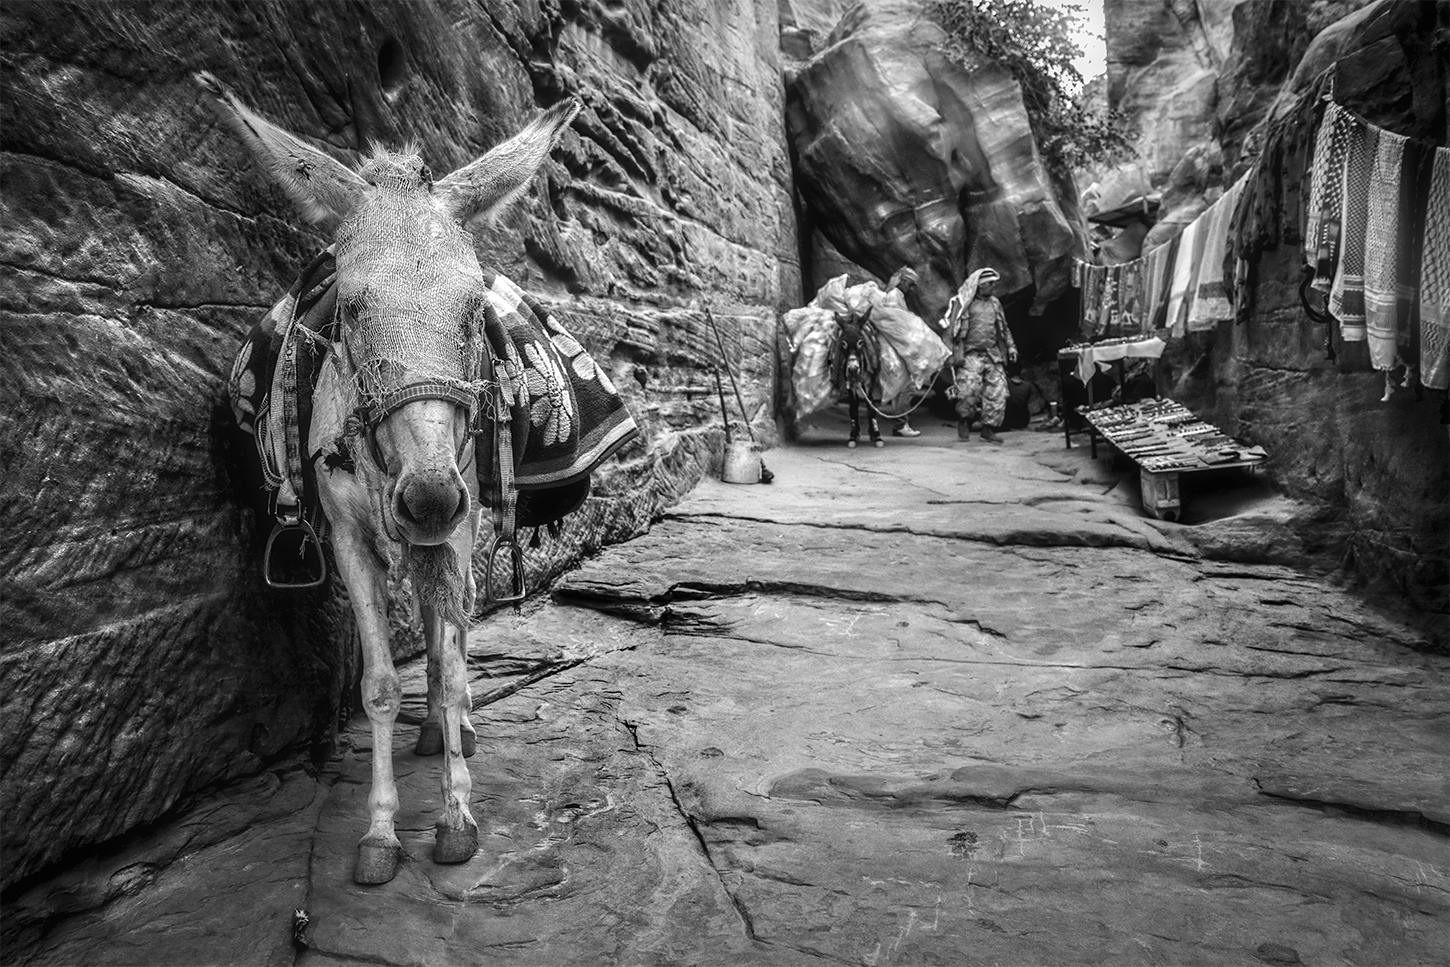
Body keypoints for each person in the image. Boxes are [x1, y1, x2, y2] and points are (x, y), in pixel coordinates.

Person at [943, 267, 1017, 443]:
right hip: (970, 355)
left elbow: (1004, 328)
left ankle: (988, 429)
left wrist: (1011, 347)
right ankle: (964, 421)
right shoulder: (965, 304)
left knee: (997, 393)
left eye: (994, 283)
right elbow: (951, 329)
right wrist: (948, 352)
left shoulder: (995, 303)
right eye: (990, 283)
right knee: (967, 391)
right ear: (980, 285)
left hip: (993, 354)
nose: (993, 286)